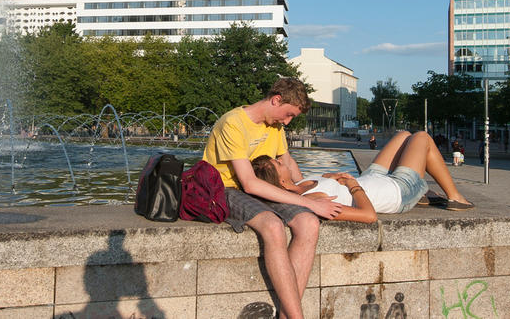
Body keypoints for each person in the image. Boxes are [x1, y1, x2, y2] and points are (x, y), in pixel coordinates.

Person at [202, 77, 344, 319]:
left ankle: (287, 315)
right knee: (273, 225)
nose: (287, 122)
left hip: (262, 187)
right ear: (276, 100)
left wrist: (304, 190)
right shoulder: (233, 123)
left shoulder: (275, 126)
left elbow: (287, 162)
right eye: (287, 115)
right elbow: (247, 182)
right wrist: (309, 202)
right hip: (225, 188)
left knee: (308, 222)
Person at [252, 130, 476, 220]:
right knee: (422, 138)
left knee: (403, 135)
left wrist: (332, 176)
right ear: (281, 181)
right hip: (396, 192)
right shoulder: (309, 201)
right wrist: (352, 186)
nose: (282, 160)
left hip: (372, 178)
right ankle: (455, 197)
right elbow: (368, 216)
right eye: (278, 163)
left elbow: (328, 182)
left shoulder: (300, 182)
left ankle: (424, 194)